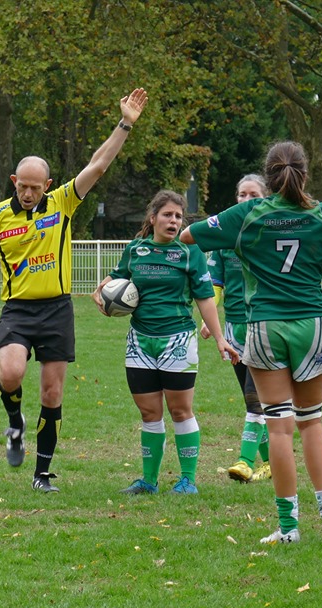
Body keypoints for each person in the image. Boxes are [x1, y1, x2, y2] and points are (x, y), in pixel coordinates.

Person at [181, 140, 322, 544]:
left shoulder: (248, 213)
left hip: (263, 326)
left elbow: (188, 235)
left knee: (279, 430)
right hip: (312, 325)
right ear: (305, 172)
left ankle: (288, 528)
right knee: (312, 421)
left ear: (268, 177)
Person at [0, 88, 148, 493]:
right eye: (22, 186)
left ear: (46, 184)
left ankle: (42, 474)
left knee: (52, 392)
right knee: (10, 374)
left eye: (35, 187)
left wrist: (125, 124)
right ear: (14, 181)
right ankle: (15, 425)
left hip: (57, 311)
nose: (28, 194)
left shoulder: (62, 203)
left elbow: (98, 165)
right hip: (16, 310)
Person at [93, 190, 237, 496]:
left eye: (178, 216)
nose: (173, 221)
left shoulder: (190, 253)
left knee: (181, 411)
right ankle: (148, 480)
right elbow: (115, 280)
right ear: (153, 218)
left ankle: (187, 480)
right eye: (168, 215)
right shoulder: (135, 250)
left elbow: (205, 298)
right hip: (140, 343)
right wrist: (101, 295)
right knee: (149, 413)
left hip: (178, 341)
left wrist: (220, 338)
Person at [200, 174, 273, 483]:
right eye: (241, 195)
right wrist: (209, 318)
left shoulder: (271, 234)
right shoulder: (225, 239)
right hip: (234, 331)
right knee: (253, 399)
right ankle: (271, 463)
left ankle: (244, 461)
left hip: (265, 327)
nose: (245, 200)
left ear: (265, 198)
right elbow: (216, 284)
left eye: (253, 194)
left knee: (256, 399)